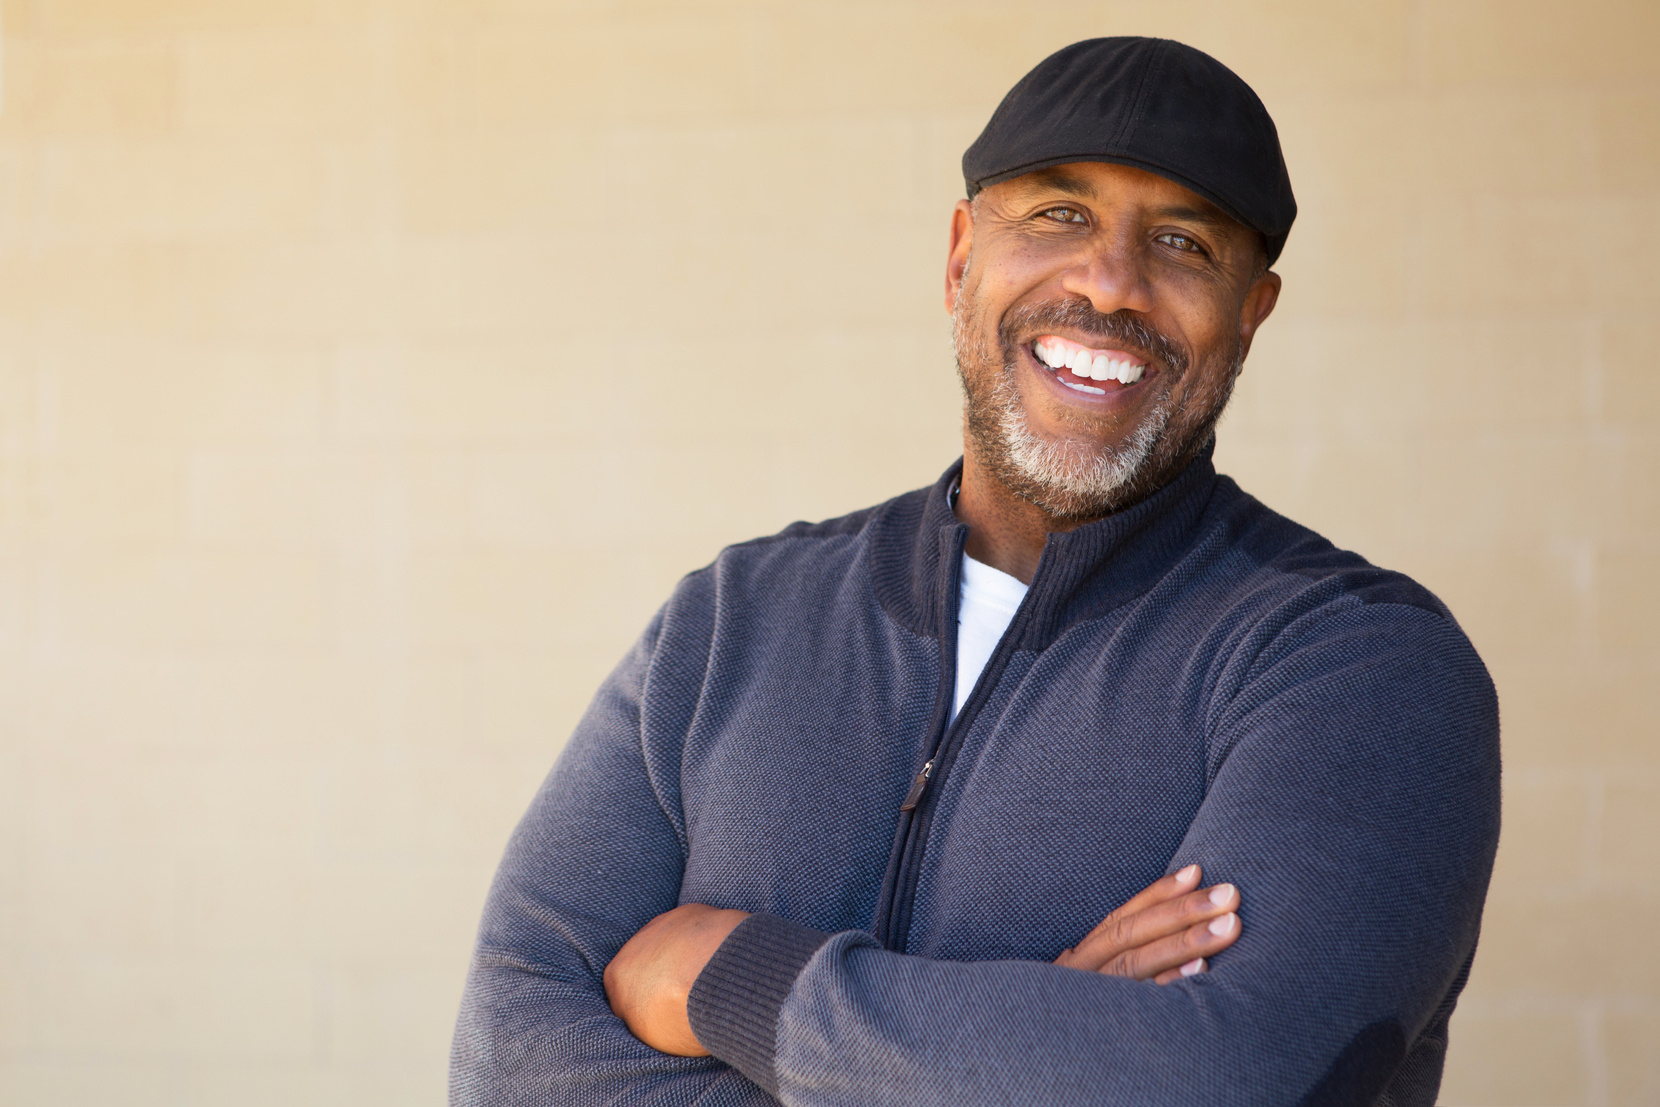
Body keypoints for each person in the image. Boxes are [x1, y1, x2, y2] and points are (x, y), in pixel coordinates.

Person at [450, 37, 1500, 1107]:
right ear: (960, 257)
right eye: (1058, 215)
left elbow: (1238, 1080)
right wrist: (1033, 1045)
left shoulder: (1354, 665)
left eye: (1182, 242)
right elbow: (507, 1056)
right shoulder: (733, 621)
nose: (1109, 282)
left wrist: (736, 982)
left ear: (1248, 314)